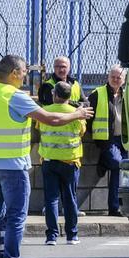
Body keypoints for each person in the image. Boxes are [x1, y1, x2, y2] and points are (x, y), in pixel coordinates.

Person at [0, 54, 92, 258]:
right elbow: (50, 118)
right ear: (14, 73)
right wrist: (77, 113)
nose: (26, 77)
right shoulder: (15, 96)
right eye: (24, 73)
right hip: (15, 167)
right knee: (16, 216)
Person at [38, 81, 86, 245]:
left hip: (49, 160)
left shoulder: (44, 111)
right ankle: (72, 235)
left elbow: (39, 128)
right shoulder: (76, 113)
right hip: (70, 162)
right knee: (70, 199)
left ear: (55, 94)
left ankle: (51, 236)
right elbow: (81, 132)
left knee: (51, 199)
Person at [89, 65, 126, 216]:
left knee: (126, 170)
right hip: (108, 140)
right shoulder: (98, 93)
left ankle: (120, 206)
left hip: (125, 140)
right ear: (108, 77)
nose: (116, 80)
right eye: (113, 77)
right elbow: (88, 116)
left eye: (119, 77)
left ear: (124, 80)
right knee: (117, 164)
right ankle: (114, 206)